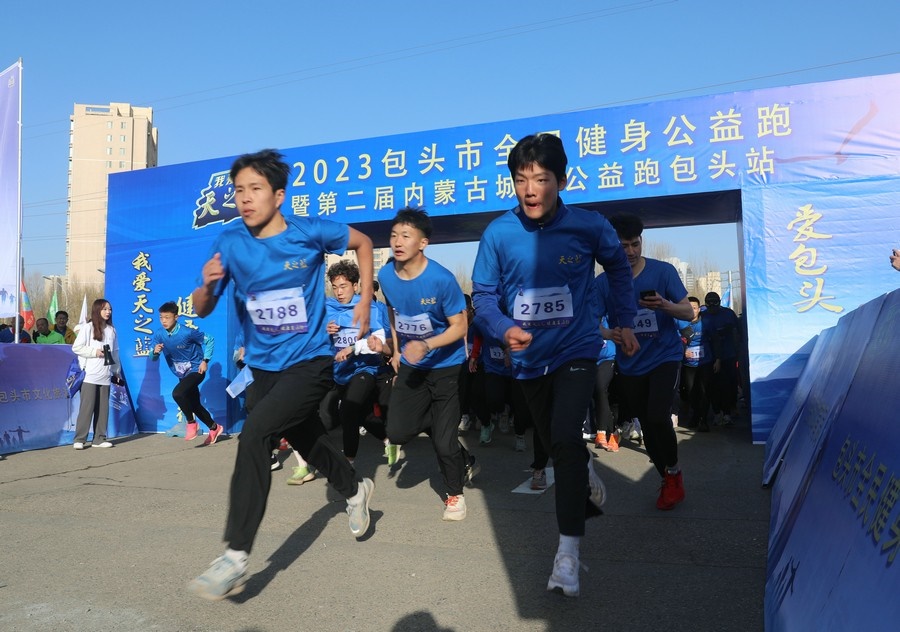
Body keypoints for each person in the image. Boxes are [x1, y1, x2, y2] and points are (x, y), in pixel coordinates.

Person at [187, 149, 376, 601]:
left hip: (310, 361)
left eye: (255, 189)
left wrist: (366, 300)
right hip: (264, 366)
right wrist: (206, 284)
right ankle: (355, 489)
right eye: (239, 190)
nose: (245, 198)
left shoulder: (309, 231)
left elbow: (364, 242)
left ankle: (234, 556)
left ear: (278, 195)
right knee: (305, 435)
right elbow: (202, 308)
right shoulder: (230, 241)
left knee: (256, 433)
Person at [471, 133, 639, 597]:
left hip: (576, 349)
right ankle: (581, 466)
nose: (530, 190)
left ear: (561, 182)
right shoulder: (498, 234)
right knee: (559, 447)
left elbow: (618, 268)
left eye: (542, 179)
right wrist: (503, 327)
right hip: (527, 359)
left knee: (565, 436)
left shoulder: (589, 226)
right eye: (521, 180)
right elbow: (483, 296)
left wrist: (624, 320)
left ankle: (567, 554)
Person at [378, 207, 477, 521]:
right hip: (412, 363)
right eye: (394, 235)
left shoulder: (441, 280)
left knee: (444, 443)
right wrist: (397, 350)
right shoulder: (386, 276)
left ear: (423, 243)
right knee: (397, 431)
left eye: (406, 236)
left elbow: (460, 327)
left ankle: (454, 494)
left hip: (446, 365)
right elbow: (393, 312)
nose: (398, 242)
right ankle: (458, 450)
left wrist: (427, 344)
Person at [601, 213, 695, 512]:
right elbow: (587, 322)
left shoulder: (663, 272)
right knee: (647, 423)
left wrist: (665, 305)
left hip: (664, 356)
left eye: (635, 244)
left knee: (657, 415)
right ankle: (667, 476)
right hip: (630, 364)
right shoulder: (603, 283)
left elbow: (689, 313)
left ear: (641, 242)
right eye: (622, 246)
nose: (630, 252)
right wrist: (610, 333)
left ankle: (673, 472)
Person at [325, 259, 396, 465]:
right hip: (339, 372)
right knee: (363, 415)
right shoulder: (327, 308)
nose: (339, 292)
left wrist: (353, 348)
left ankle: (348, 464)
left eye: (343, 286)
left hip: (365, 368)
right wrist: (324, 331)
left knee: (347, 410)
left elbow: (380, 339)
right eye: (335, 287)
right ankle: (389, 440)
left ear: (355, 286)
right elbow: (313, 339)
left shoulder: (368, 308)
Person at [150, 301, 223, 446]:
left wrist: (205, 360)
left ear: (176, 317)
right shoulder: (159, 334)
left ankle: (191, 423)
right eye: (161, 317)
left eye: (167, 317)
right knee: (194, 405)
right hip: (182, 374)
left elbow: (210, 340)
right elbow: (153, 358)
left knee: (178, 394)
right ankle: (214, 427)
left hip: (196, 370)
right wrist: (155, 352)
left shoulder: (187, 332)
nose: (164, 321)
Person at [71, 299, 122, 449]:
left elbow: (115, 353)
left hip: (105, 375)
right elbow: (76, 347)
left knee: (103, 409)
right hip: (90, 375)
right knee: (87, 408)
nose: (108, 312)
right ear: (97, 310)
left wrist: (116, 372)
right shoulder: (88, 328)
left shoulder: (112, 330)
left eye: (110, 309)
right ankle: (80, 439)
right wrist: (95, 352)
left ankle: (99, 439)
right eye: (105, 309)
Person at [701, 291, 740, 425]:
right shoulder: (703, 315)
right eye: (709, 304)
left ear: (719, 303)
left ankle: (730, 409)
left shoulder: (728, 314)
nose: (712, 306)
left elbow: (738, 332)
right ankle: (717, 411)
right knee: (713, 386)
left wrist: (738, 351)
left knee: (730, 384)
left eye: (715, 303)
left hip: (728, 354)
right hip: (709, 357)